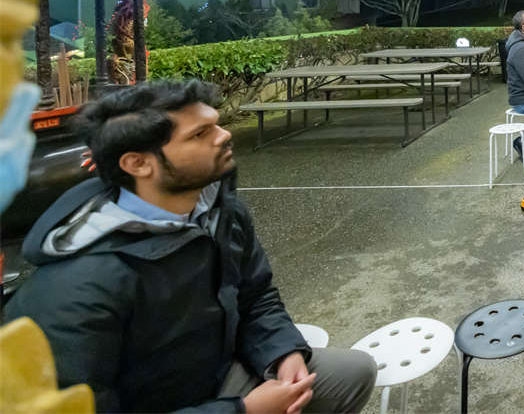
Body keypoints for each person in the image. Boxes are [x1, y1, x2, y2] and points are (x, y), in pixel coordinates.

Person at [4, 81, 377, 414]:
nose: (224, 135)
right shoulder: (80, 285)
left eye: (216, 123)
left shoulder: (218, 211)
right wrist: (243, 410)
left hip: (215, 373)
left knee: (352, 372)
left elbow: (255, 296)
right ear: (138, 163)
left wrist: (282, 351)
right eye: (201, 134)